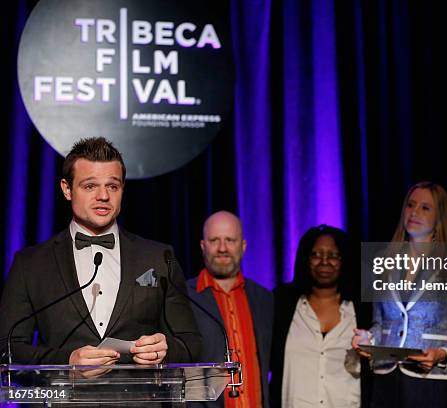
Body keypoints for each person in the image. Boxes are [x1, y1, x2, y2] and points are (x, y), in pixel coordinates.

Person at [0, 137, 201, 367]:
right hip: (63, 400)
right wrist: (67, 361)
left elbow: (191, 343)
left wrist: (164, 350)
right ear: (67, 189)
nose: (103, 196)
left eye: (112, 186)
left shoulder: (159, 257)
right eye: (90, 186)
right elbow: (8, 349)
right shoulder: (30, 264)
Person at [352, 181, 447, 407]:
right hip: (386, 380)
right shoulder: (385, 263)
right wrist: (368, 339)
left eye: (425, 207)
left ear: (440, 218)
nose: (414, 212)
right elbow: (380, 323)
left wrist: (442, 354)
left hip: (431, 383)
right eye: (410, 205)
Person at [270, 225, 372, 408]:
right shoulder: (281, 303)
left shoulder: (364, 308)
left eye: (333, 256)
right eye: (316, 255)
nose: (324, 262)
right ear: (305, 260)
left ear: (344, 261)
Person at [187, 211, 273, 408]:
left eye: (230, 240)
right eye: (215, 240)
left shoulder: (264, 299)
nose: (222, 248)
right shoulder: (183, 298)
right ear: (203, 246)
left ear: (243, 247)